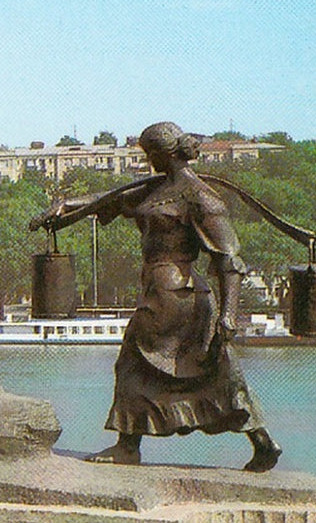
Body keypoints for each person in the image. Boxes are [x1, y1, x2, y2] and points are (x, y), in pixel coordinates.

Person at [31, 121, 281, 472]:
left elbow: (229, 260)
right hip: (161, 290)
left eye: (150, 155)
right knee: (214, 369)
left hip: (177, 298)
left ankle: (128, 447)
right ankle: (263, 441)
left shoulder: (201, 198)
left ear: (165, 153)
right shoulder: (158, 190)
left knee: (133, 361)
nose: (148, 162)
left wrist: (229, 315)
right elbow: (113, 201)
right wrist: (64, 207)